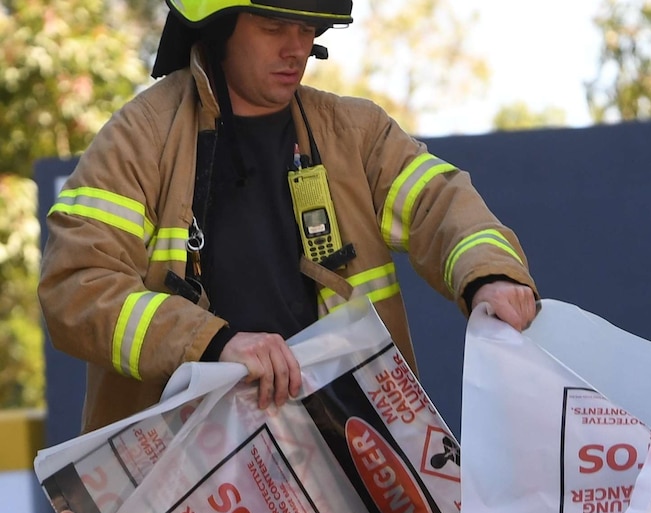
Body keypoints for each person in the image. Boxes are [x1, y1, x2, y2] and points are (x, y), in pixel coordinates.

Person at [38, 0, 538, 434]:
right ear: (219, 26)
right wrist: (211, 344)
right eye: (274, 27)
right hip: (193, 482)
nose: (296, 48)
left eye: (307, 29)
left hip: (354, 458)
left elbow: (440, 200)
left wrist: (489, 275)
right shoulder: (140, 138)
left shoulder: (354, 132)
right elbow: (76, 286)